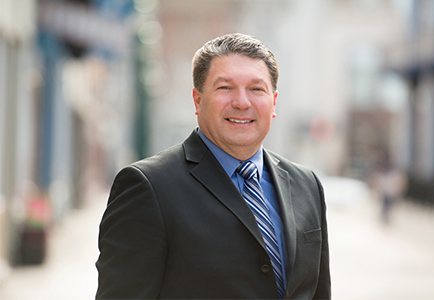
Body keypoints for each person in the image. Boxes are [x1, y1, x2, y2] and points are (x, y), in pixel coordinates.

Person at [96, 33, 331, 300]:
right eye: (225, 88)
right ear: (197, 100)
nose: (242, 102)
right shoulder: (148, 187)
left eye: (256, 89)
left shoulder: (307, 185)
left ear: (273, 102)